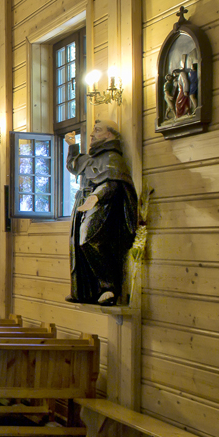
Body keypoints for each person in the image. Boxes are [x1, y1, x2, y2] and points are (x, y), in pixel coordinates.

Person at [64, 120, 138, 306]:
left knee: (88, 240)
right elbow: (75, 165)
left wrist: (95, 197)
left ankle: (109, 288)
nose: (92, 134)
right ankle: (85, 291)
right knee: (77, 246)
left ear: (109, 135)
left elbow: (112, 183)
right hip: (84, 203)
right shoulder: (95, 157)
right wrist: (72, 146)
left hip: (100, 205)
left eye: (97, 130)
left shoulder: (112, 158)